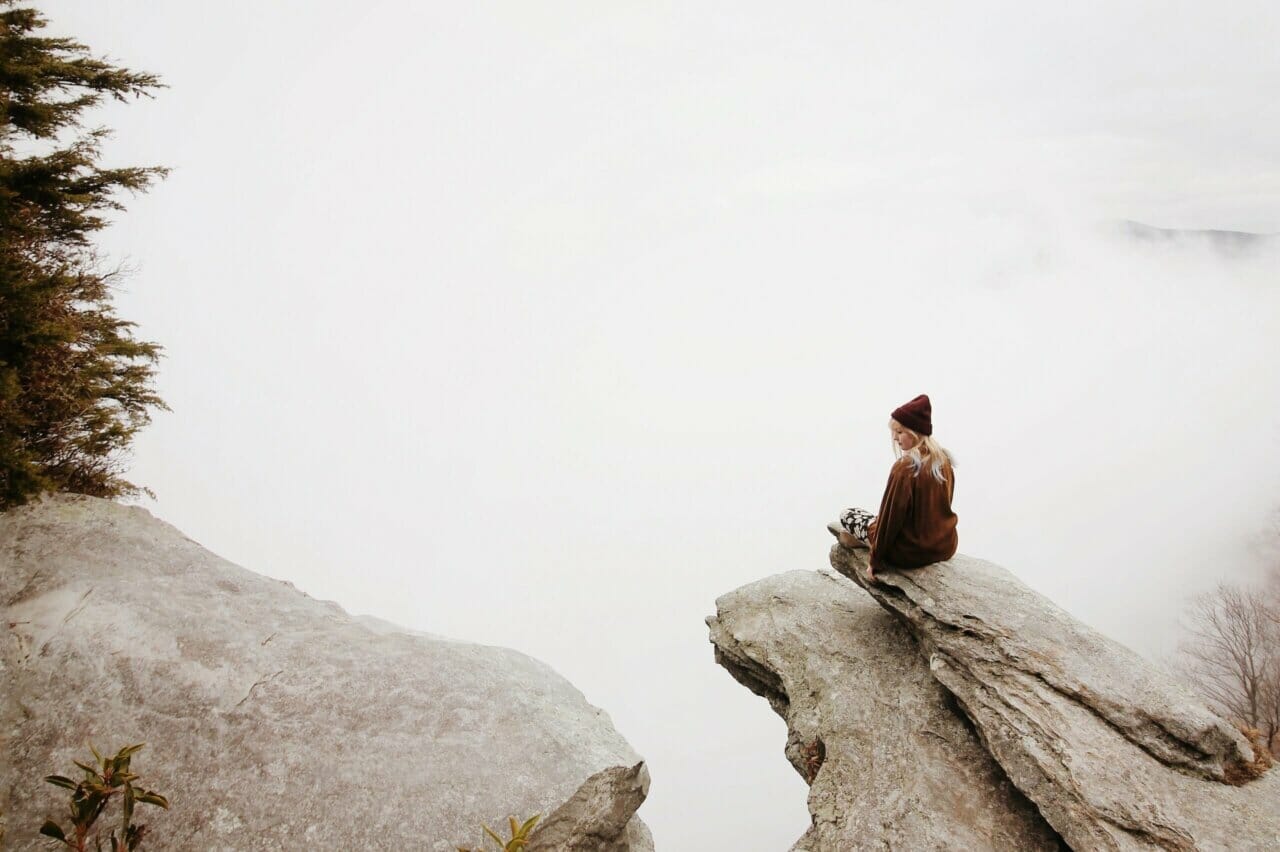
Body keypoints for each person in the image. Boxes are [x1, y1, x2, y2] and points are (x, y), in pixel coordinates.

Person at [830, 394, 958, 581]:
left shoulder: (905, 468)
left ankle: (864, 542)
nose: (896, 438)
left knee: (848, 515)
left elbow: (891, 519)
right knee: (878, 521)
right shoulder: (943, 461)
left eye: (900, 432)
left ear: (915, 432)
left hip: (908, 553)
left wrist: (875, 561)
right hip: (944, 546)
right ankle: (864, 538)